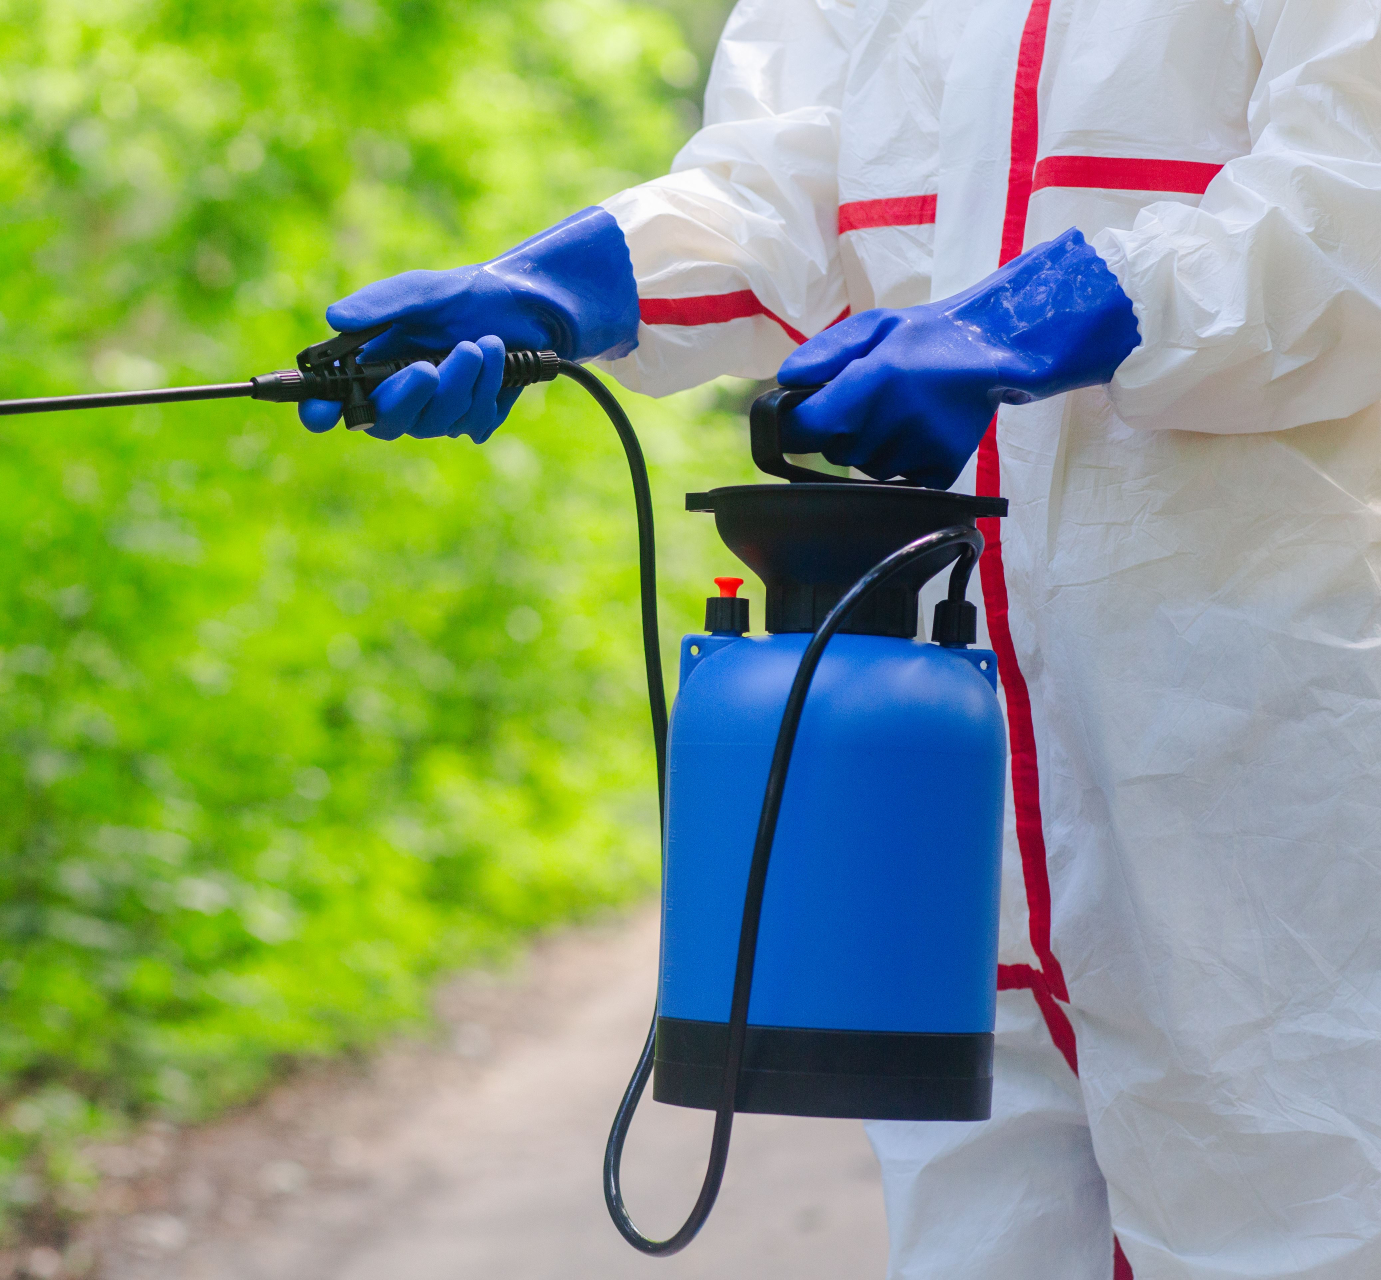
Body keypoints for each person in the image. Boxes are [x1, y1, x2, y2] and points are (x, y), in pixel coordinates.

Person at [302, 3, 1381, 1277]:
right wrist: (568, 284)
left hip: (1248, 752)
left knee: (1295, 1219)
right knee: (974, 1236)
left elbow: (1344, 199)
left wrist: (1048, 310)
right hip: (940, 767)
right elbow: (794, 181)